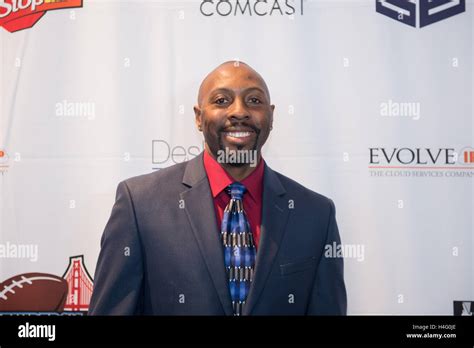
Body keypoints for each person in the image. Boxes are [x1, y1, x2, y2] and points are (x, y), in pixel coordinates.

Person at [88, 61, 347, 315]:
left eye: (254, 101)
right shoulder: (140, 204)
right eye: (222, 100)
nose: (239, 112)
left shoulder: (315, 214)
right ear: (199, 118)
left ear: (271, 116)